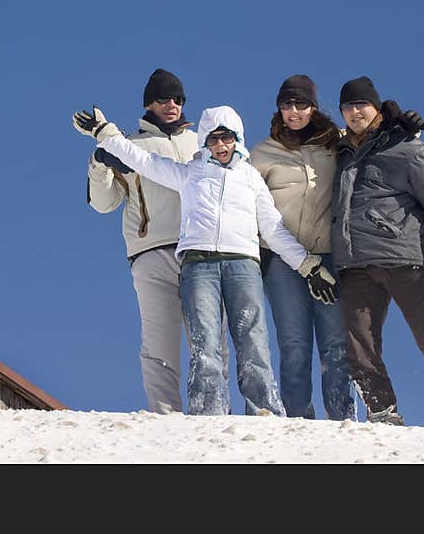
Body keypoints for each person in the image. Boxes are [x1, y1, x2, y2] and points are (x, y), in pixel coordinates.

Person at [73, 103, 339, 417]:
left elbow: (272, 229)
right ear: (204, 143)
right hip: (199, 266)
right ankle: (208, 411)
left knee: (252, 339)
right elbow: (141, 159)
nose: (220, 146)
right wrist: (105, 133)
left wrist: (307, 265)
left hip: (243, 265)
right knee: (206, 343)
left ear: (237, 139)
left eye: (225, 138)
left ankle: (263, 410)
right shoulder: (189, 173)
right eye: (213, 140)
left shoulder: (251, 179)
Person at [331, 75, 424, 430]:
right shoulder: (342, 153)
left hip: (406, 259)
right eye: (348, 107)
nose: (355, 112)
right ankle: (382, 414)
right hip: (357, 265)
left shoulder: (406, 148)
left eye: (361, 105)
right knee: (359, 348)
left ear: (377, 107)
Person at [84, 68, 198, 414]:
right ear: (149, 103)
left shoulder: (203, 142)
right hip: (151, 253)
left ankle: (211, 412)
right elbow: (104, 204)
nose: (172, 105)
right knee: (159, 343)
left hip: (200, 252)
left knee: (209, 340)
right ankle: (165, 416)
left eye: (177, 99)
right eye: (163, 98)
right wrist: (99, 162)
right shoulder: (130, 146)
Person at [250, 75, 357, 421]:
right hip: (283, 260)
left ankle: (343, 419)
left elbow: (374, 138)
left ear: (313, 107)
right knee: (294, 344)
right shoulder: (263, 153)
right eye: (286, 105)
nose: (293, 112)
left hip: (329, 255)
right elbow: (246, 202)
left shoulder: (336, 143)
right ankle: (298, 421)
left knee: (336, 344)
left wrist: (401, 122)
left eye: (300, 104)